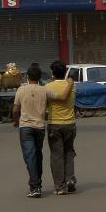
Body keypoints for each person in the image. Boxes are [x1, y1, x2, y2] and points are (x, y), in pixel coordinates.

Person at [12, 63, 67, 198]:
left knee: (30, 157)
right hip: (40, 127)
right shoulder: (44, 90)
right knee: (38, 155)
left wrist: (16, 121)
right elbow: (61, 97)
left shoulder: (21, 90)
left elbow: (15, 109)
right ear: (40, 77)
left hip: (25, 127)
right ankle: (37, 184)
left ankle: (35, 186)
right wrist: (70, 83)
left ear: (27, 76)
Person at [46, 60, 77, 195]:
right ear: (65, 72)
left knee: (57, 155)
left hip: (55, 124)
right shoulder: (71, 86)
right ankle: (70, 179)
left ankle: (60, 187)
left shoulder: (48, 87)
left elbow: (46, 105)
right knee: (69, 152)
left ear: (52, 72)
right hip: (70, 123)